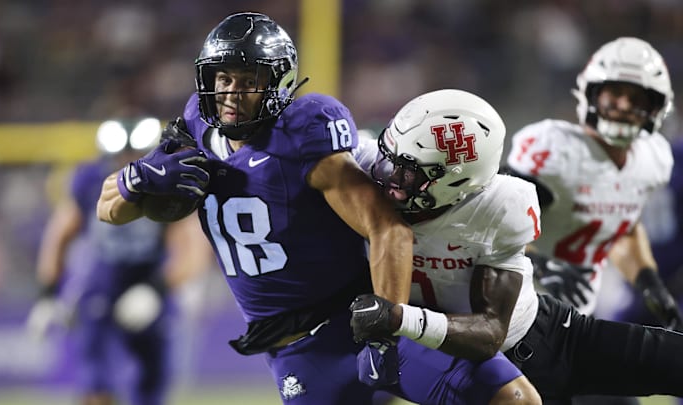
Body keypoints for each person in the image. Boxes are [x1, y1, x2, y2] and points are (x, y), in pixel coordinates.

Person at [96, 12, 540, 405]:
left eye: (248, 80)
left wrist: (384, 335)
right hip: (298, 352)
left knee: (513, 400)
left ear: (278, 82)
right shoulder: (195, 127)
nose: (231, 93)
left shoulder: (302, 133)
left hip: (355, 319)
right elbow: (109, 210)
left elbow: (389, 230)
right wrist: (138, 179)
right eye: (222, 78)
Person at [348, 88, 683, 404]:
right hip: (471, 370)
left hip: (549, 341)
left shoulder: (499, 206)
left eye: (407, 172)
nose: (387, 175)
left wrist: (399, 318)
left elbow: (489, 333)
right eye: (389, 158)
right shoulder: (358, 170)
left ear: (456, 180)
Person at [503, 36, 683, 405]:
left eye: (638, 98)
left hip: (576, 328)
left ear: (657, 108)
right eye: (614, 93)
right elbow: (497, 223)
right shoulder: (554, 148)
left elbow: (622, 225)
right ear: (591, 93)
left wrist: (649, 282)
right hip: (519, 323)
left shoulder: (653, 159)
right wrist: (538, 263)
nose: (623, 105)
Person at [26, 117, 209, 405]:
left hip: (149, 278)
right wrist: (47, 294)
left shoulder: (168, 182)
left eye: (134, 156)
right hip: (102, 282)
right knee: (95, 381)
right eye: (120, 157)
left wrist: (156, 289)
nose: (127, 164)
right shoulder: (89, 180)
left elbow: (193, 250)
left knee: (152, 381)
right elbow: (59, 234)